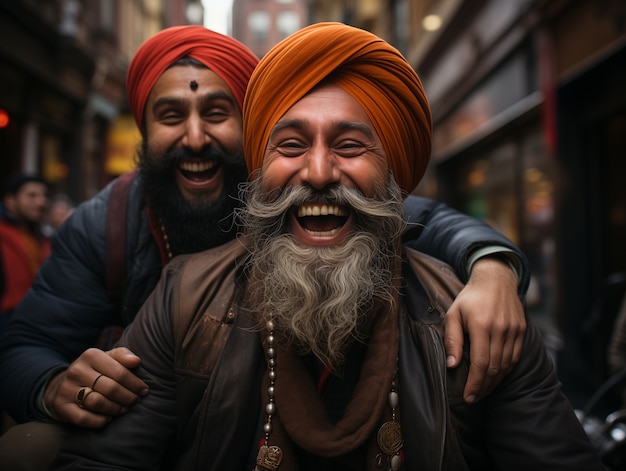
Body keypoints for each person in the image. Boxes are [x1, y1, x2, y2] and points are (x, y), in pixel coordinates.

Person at [50, 22, 603, 470]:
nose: (317, 172)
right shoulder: (183, 298)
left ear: (395, 175)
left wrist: (493, 265)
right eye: (291, 144)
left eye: (350, 145)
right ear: (260, 172)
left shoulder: (472, 318)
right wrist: (49, 384)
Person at [0, 174, 50, 334]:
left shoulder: (43, 237)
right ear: (10, 201)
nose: (41, 202)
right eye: (31, 195)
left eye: (43, 195)